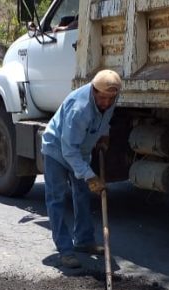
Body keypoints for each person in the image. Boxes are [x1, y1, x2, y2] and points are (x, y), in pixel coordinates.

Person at [41, 69, 122, 268]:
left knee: (83, 194)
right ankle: (65, 250)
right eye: (102, 98)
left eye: (110, 99)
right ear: (94, 91)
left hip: (80, 152)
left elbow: (105, 119)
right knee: (57, 199)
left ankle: (84, 241)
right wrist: (90, 176)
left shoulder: (111, 98)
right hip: (57, 151)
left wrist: (104, 134)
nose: (106, 103)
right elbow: (69, 150)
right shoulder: (80, 109)